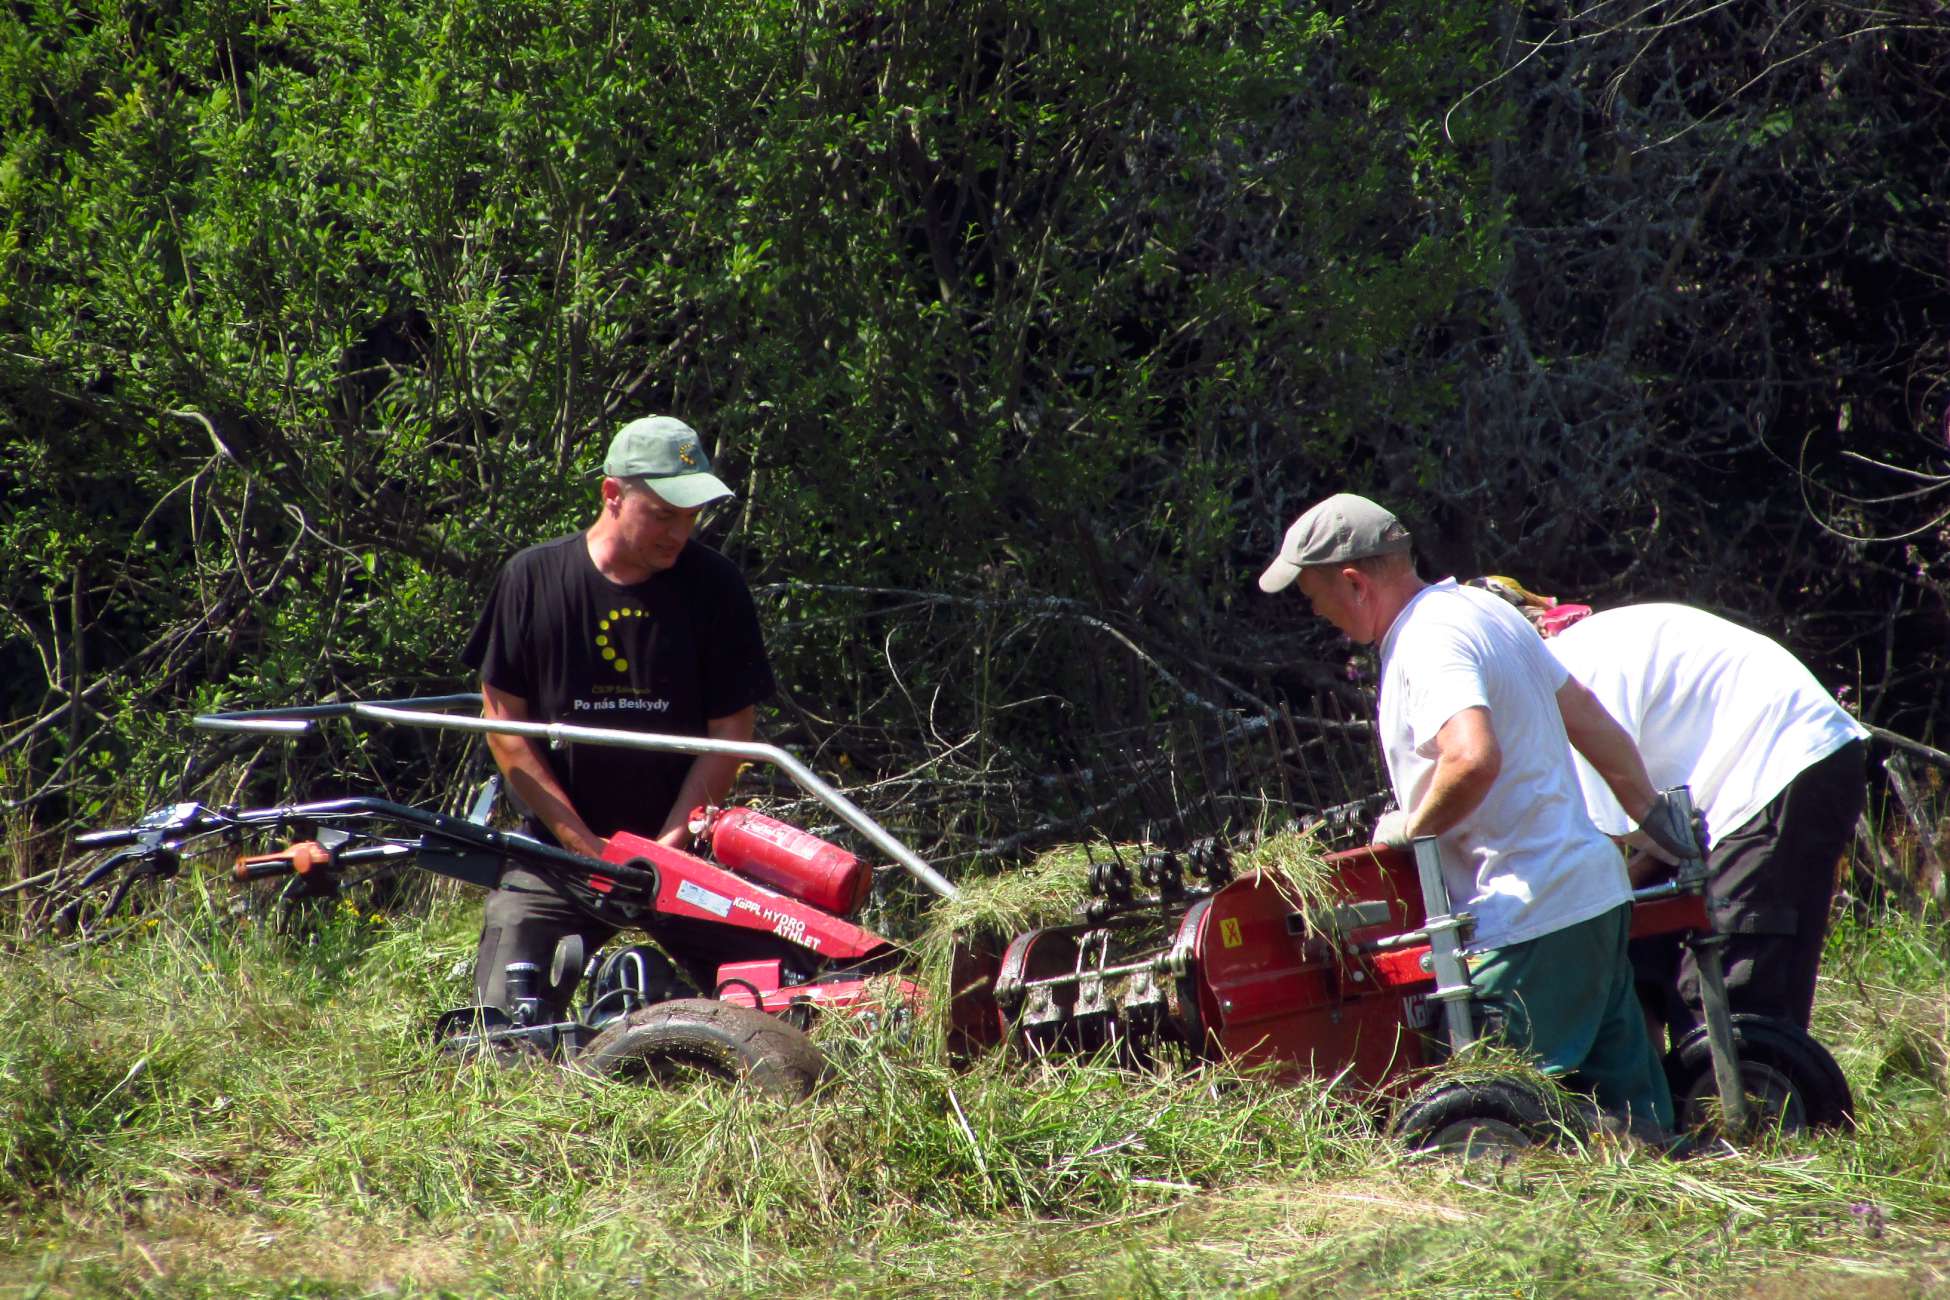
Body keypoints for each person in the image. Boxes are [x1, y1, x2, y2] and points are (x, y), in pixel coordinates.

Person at [1257, 494, 1696, 1133]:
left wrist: (1414, 827)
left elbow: (1471, 758)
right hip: (1591, 895)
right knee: (1637, 1129)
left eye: (1312, 593)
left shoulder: (1425, 642)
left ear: (1353, 581)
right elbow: (1588, 717)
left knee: (1498, 1121)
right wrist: (1648, 810)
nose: (1315, 610)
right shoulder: (1482, 609)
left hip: (1526, 918)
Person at [462, 415, 776, 1015]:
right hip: (558, 852)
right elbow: (504, 728)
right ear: (612, 495)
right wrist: (583, 848)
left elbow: (732, 733)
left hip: (689, 853)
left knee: (780, 989)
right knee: (503, 1023)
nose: (679, 532)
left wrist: (670, 847)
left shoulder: (718, 587)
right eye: (663, 513)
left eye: (691, 515)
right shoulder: (531, 578)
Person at [1528, 600, 1870, 1045]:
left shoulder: (1569, 667)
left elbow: (1599, 843)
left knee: (1728, 988)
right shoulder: (1589, 649)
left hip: (1773, 769)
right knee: (1640, 957)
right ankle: (1661, 1106)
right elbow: (1640, 849)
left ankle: (1736, 1109)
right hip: (1771, 778)